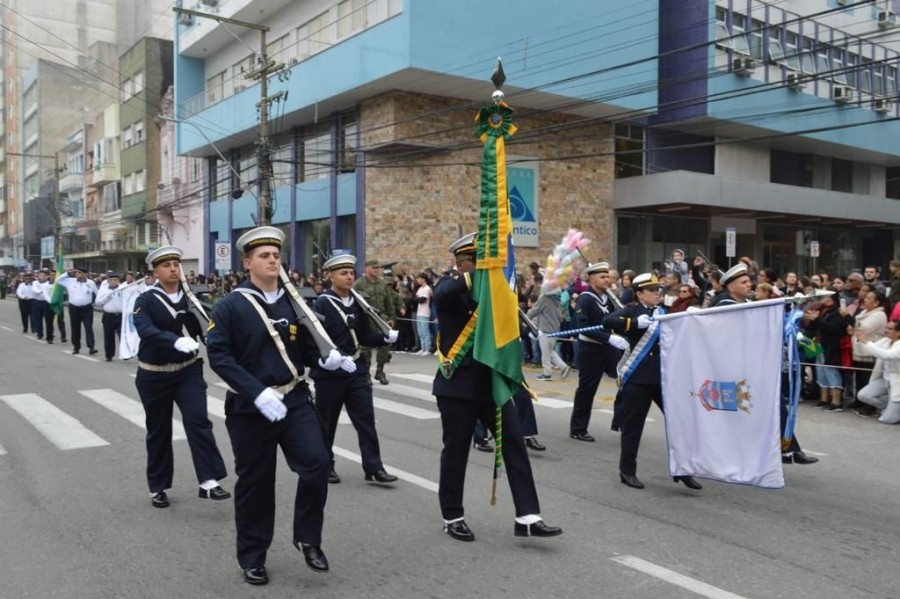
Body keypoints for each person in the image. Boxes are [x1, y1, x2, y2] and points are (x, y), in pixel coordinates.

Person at [206, 227, 333, 586]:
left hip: (293, 399)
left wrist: (327, 359)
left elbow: (306, 348)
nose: (272, 260)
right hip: (252, 408)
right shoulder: (231, 305)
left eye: (276, 255)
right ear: (248, 263)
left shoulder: (295, 302)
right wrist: (255, 392)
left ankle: (307, 537)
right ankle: (253, 556)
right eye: (264, 255)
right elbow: (218, 355)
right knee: (256, 484)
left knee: (317, 464)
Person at [433, 233, 561, 542]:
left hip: (493, 384)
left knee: (515, 444)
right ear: (463, 263)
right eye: (479, 262)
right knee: (456, 452)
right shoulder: (451, 288)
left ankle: (528, 516)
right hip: (458, 387)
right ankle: (453, 515)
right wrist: (479, 273)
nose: (490, 268)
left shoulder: (497, 293)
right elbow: (442, 295)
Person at [132, 245, 230, 509]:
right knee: (159, 430)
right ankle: (158, 486)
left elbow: (207, 327)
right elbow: (145, 329)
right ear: (155, 271)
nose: (174, 269)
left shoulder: (191, 298)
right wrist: (174, 341)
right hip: (154, 374)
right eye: (167, 265)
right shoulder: (146, 300)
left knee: (198, 420)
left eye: (176, 264)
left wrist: (215, 338)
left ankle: (209, 481)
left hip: (188, 371)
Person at [602, 273, 702, 491]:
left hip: (663, 378)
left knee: (679, 424)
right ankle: (627, 471)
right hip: (638, 379)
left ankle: (683, 469)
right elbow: (607, 321)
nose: (658, 293)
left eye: (659, 289)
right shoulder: (632, 311)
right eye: (652, 290)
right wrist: (632, 323)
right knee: (633, 427)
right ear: (639, 294)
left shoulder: (664, 312)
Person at [311, 254, 399, 486]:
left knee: (366, 420)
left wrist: (384, 338)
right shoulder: (322, 303)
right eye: (343, 273)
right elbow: (316, 340)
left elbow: (363, 337)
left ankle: (374, 467)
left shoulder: (359, 302)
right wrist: (334, 359)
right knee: (326, 422)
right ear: (331, 276)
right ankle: (325, 464)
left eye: (351, 273)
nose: (349, 277)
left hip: (357, 370)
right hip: (330, 374)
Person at [569, 262, 629, 441]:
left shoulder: (609, 297)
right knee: (587, 389)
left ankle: (621, 421)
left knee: (625, 380)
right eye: (602, 277)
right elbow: (583, 327)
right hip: (591, 348)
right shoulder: (585, 298)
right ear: (592, 279)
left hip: (609, 348)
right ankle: (578, 429)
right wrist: (608, 337)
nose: (607, 280)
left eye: (607, 277)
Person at [353, 259, 396, 385]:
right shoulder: (359, 284)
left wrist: (391, 318)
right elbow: (355, 302)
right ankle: (366, 373)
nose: (377, 270)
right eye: (374, 267)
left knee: (385, 345)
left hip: (381, 320)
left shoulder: (383, 284)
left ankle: (380, 371)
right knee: (365, 349)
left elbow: (388, 302)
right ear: (367, 268)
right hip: (366, 320)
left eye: (378, 268)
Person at [855, 319, 900, 424]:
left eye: (890, 329)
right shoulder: (886, 341)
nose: (886, 331)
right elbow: (868, 351)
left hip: (897, 382)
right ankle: (888, 406)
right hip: (884, 379)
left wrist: (867, 341)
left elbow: (886, 355)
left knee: (888, 419)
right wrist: (859, 338)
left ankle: (893, 409)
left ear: (898, 332)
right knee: (863, 395)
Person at [526, 285, 570, 382]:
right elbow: (560, 315)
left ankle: (547, 374)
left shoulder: (544, 299)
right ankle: (563, 367)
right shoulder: (557, 300)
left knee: (545, 353)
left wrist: (525, 318)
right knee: (550, 351)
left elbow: (534, 310)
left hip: (545, 329)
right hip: (555, 328)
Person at [56, 266, 98, 355]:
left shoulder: (91, 283)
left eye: (80, 272)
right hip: (74, 308)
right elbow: (58, 280)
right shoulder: (70, 281)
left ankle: (91, 347)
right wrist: (67, 273)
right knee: (75, 328)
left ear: (85, 274)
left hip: (87, 308)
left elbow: (97, 293)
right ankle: (76, 347)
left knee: (88, 327)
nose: (77, 274)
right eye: (76, 272)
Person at [95, 272, 124, 362]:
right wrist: (107, 297)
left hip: (120, 315)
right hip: (108, 316)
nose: (113, 282)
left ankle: (125, 353)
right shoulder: (104, 289)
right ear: (108, 281)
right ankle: (109, 355)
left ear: (118, 281)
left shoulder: (122, 288)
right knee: (108, 336)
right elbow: (98, 303)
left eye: (115, 280)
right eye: (111, 280)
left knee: (122, 336)